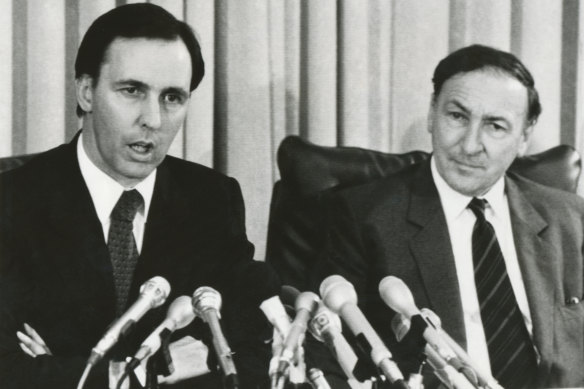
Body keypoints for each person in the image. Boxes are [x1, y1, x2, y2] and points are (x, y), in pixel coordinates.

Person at [0, 4, 279, 388]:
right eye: (132, 91)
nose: (154, 119)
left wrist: (61, 370)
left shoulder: (211, 199)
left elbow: (247, 358)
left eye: (172, 97)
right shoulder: (11, 203)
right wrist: (143, 373)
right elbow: (8, 372)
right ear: (86, 92)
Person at [313, 44, 584, 388]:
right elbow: (331, 355)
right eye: (457, 116)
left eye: (496, 126)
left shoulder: (572, 219)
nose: (470, 145)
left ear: (524, 137)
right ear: (431, 113)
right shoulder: (363, 217)